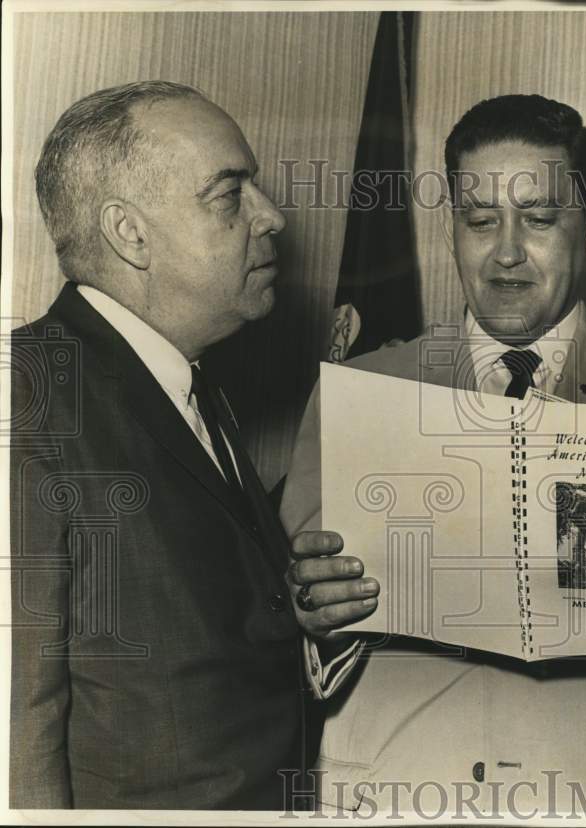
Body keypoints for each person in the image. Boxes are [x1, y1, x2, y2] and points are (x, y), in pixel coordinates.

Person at [280, 94, 586, 815]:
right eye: (480, 220)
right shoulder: (358, 392)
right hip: (388, 794)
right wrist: (317, 622)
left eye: (540, 220)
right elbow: (287, 632)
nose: (507, 251)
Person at [9, 82, 374, 809]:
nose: (270, 217)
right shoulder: (27, 400)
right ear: (130, 233)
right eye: (229, 194)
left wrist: (295, 613)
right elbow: (15, 739)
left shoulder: (190, 384)